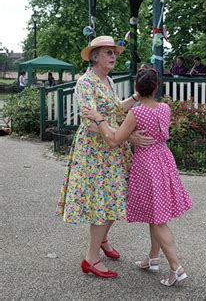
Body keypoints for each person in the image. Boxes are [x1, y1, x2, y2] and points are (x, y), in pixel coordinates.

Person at [83, 67, 193, 287]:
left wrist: (99, 119)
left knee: (158, 219)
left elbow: (114, 140)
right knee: (156, 214)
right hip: (164, 160)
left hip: (147, 165)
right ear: (156, 87)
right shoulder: (164, 108)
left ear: (136, 88)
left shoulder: (137, 113)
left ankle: (176, 268)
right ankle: (152, 259)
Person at [56, 35, 153, 279]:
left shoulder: (107, 80)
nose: (113, 56)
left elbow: (113, 110)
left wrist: (135, 98)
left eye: (114, 53)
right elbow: (91, 124)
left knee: (118, 198)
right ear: (95, 56)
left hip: (113, 148)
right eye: (108, 52)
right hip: (95, 151)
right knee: (102, 202)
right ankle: (91, 258)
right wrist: (127, 137)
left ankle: (103, 240)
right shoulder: (85, 83)